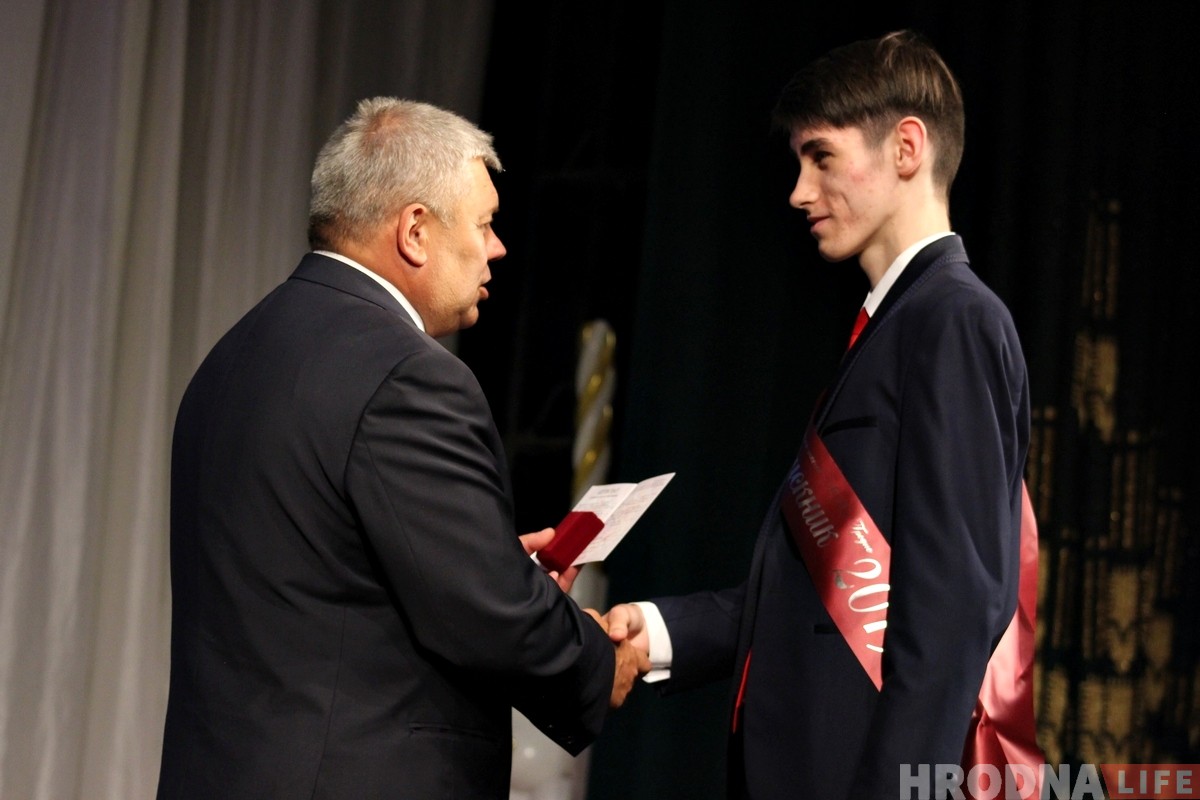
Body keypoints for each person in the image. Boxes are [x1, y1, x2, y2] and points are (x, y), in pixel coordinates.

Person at [157, 97, 649, 800]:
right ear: (415, 230)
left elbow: (315, 574)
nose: (499, 248)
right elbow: (492, 618)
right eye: (484, 224)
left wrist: (478, 557)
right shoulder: (409, 374)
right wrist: (598, 660)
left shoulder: (232, 357)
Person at [604, 29, 1040, 800]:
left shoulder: (954, 321)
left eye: (823, 158)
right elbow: (821, 591)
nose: (799, 192)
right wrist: (666, 631)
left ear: (907, 147)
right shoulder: (893, 328)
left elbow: (953, 611)